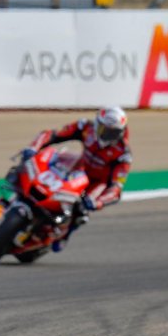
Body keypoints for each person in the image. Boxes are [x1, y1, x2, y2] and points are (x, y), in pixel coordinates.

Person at [17, 106, 132, 251]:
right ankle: (18, 192)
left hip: (96, 183)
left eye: (113, 132)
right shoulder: (85, 127)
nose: (108, 135)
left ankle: (65, 234)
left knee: (81, 210)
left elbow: (116, 188)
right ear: (98, 124)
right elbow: (54, 134)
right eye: (105, 130)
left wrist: (98, 202)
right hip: (78, 168)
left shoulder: (123, 154)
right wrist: (33, 147)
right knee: (37, 164)